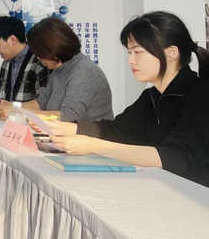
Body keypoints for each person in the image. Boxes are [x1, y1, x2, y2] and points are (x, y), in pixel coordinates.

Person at [47, 11, 209, 187]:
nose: (131, 60)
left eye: (138, 52)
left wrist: (93, 146)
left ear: (171, 53)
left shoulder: (200, 95)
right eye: (129, 53)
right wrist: (68, 128)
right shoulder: (152, 96)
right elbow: (117, 131)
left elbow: (177, 157)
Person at [0, 16, 113, 122]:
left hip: (89, 138)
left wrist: (19, 114)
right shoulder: (59, 69)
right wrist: (13, 106)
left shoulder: (84, 71)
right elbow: (41, 103)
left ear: (52, 48)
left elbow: (69, 116)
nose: (38, 58)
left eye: (39, 54)